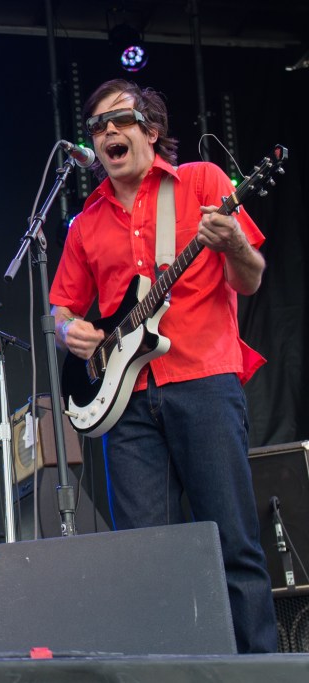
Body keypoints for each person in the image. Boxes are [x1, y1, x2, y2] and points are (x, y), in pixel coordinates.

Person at [50, 79, 276, 653]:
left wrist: (232, 244)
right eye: (97, 126)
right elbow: (62, 307)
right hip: (125, 403)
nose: (107, 132)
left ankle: (259, 667)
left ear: (150, 129)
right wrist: (66, 330)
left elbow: (249, 278)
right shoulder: (85, 222)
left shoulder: (202, 182)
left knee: (233, 544)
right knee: (146, 558)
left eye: (120, 120)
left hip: (202, 381)